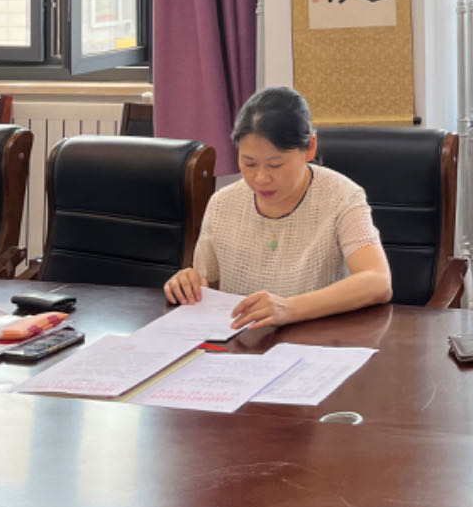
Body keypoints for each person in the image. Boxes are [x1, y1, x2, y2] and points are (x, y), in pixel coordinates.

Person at [163, 87, 392, 330]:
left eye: (275, 165)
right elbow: (207, 285)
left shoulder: (341, 198)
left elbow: (378, 281)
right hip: (241, 341)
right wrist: (188, 283)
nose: (261, 178)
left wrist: (290, 308)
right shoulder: (222, 204)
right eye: (249, 163)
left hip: (317, 339)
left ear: (310, 147)